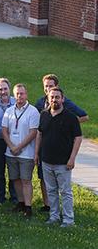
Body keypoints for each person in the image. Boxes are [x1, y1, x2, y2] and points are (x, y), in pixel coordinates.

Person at [33, 73, 89, 212]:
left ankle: (68, 217)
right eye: (46, 86)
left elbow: (84, 117)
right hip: (46, 153)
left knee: (64, 189)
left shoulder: (66, 105)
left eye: (51, 86)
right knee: (45, 182)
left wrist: (66, 124)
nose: (48, 89)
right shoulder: (41, 104)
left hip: (62, 156)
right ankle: (50, 208)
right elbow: (39, 129)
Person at [2, 83, 40, 218]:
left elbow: (33, 132)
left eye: (22, 93)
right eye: (17, 94)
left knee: (26, 180)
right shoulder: (9, 111)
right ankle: (21, 203)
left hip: (26, 153)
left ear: (26, 94)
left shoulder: (33, 111)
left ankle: (28, 207)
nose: (20, 96)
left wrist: (19, 147)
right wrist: (12, 146)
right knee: (15, 179)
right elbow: (4, 131)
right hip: (10, 152)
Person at [0, 77, 17, 204]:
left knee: (12, 169)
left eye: (5, 89)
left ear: (9, 89)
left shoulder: (17, 103)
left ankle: (14, 196)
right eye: (0, 89)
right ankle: (0, 197)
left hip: (13, 142)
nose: (3, 91)